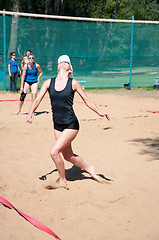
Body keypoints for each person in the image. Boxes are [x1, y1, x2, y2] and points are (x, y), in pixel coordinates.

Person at [26, 55, 110, 190]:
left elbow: (87, 101)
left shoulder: (73, 83)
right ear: (59, 65)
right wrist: (31, 113)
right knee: (68, 156)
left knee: (54, 153)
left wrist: (99, 112)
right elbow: (37, 100)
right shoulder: (48, 82)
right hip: (57, 125)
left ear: (68, 66)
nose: (63, 63)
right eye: (62, 61)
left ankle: (63, 180)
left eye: (66, 62)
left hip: (71, 124)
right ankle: (89, 168)